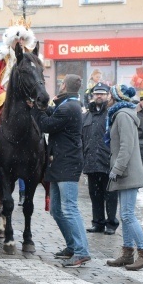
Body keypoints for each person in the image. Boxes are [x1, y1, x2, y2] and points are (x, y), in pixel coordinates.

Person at [0, 21, 37, 222]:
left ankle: (43, 156)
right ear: (12, 39)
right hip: (0, 97)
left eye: (23, 39)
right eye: (18, 38)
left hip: (22, 99)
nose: (20, 42)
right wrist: (2, 94)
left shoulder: (28, 59)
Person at [33, 74, 92, 268]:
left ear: (64, 86)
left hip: (67, 164)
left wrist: (38, 109)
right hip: (60, 163)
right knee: (56, 210)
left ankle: (82, 251)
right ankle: (72, 246)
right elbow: (54, 115)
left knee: (69, 208)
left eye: (61, 84)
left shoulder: (69, 107)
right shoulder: (68, 106)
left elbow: (46, 125)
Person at [105, 84, 143, 271]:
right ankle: (127, 253)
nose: (108, 97)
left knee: (127, 214)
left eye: (110, 95)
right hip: (125, 171)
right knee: (124, 215)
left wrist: (116, 169)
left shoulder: (123, 115)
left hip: (127, 171)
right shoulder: (120, 114)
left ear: (117, 98)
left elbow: (126, 146)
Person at [82, 82, 117, 235]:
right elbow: (82, 138)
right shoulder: (87, 115)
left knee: (110, 195)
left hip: (107, 161)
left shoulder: (111, 114)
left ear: (108, 96)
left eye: (102, 94)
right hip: (91, 162)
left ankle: (111, 223)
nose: (99, 96)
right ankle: (98, 223)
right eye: (97, 94)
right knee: (95, 195)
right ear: (92, 96)